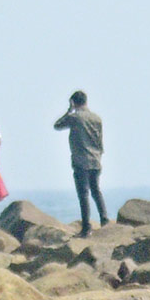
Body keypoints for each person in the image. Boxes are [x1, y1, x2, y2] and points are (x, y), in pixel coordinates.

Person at [53, 90, 107, 237]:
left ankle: (86, 227)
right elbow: (99, 139)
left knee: (83, 194)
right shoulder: (97, 118)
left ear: (73, 102)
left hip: (81, 160)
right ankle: (104, 219)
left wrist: (68, 111)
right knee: (96, 190)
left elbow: (57, 125)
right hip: (95, 159)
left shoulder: (75, 118)